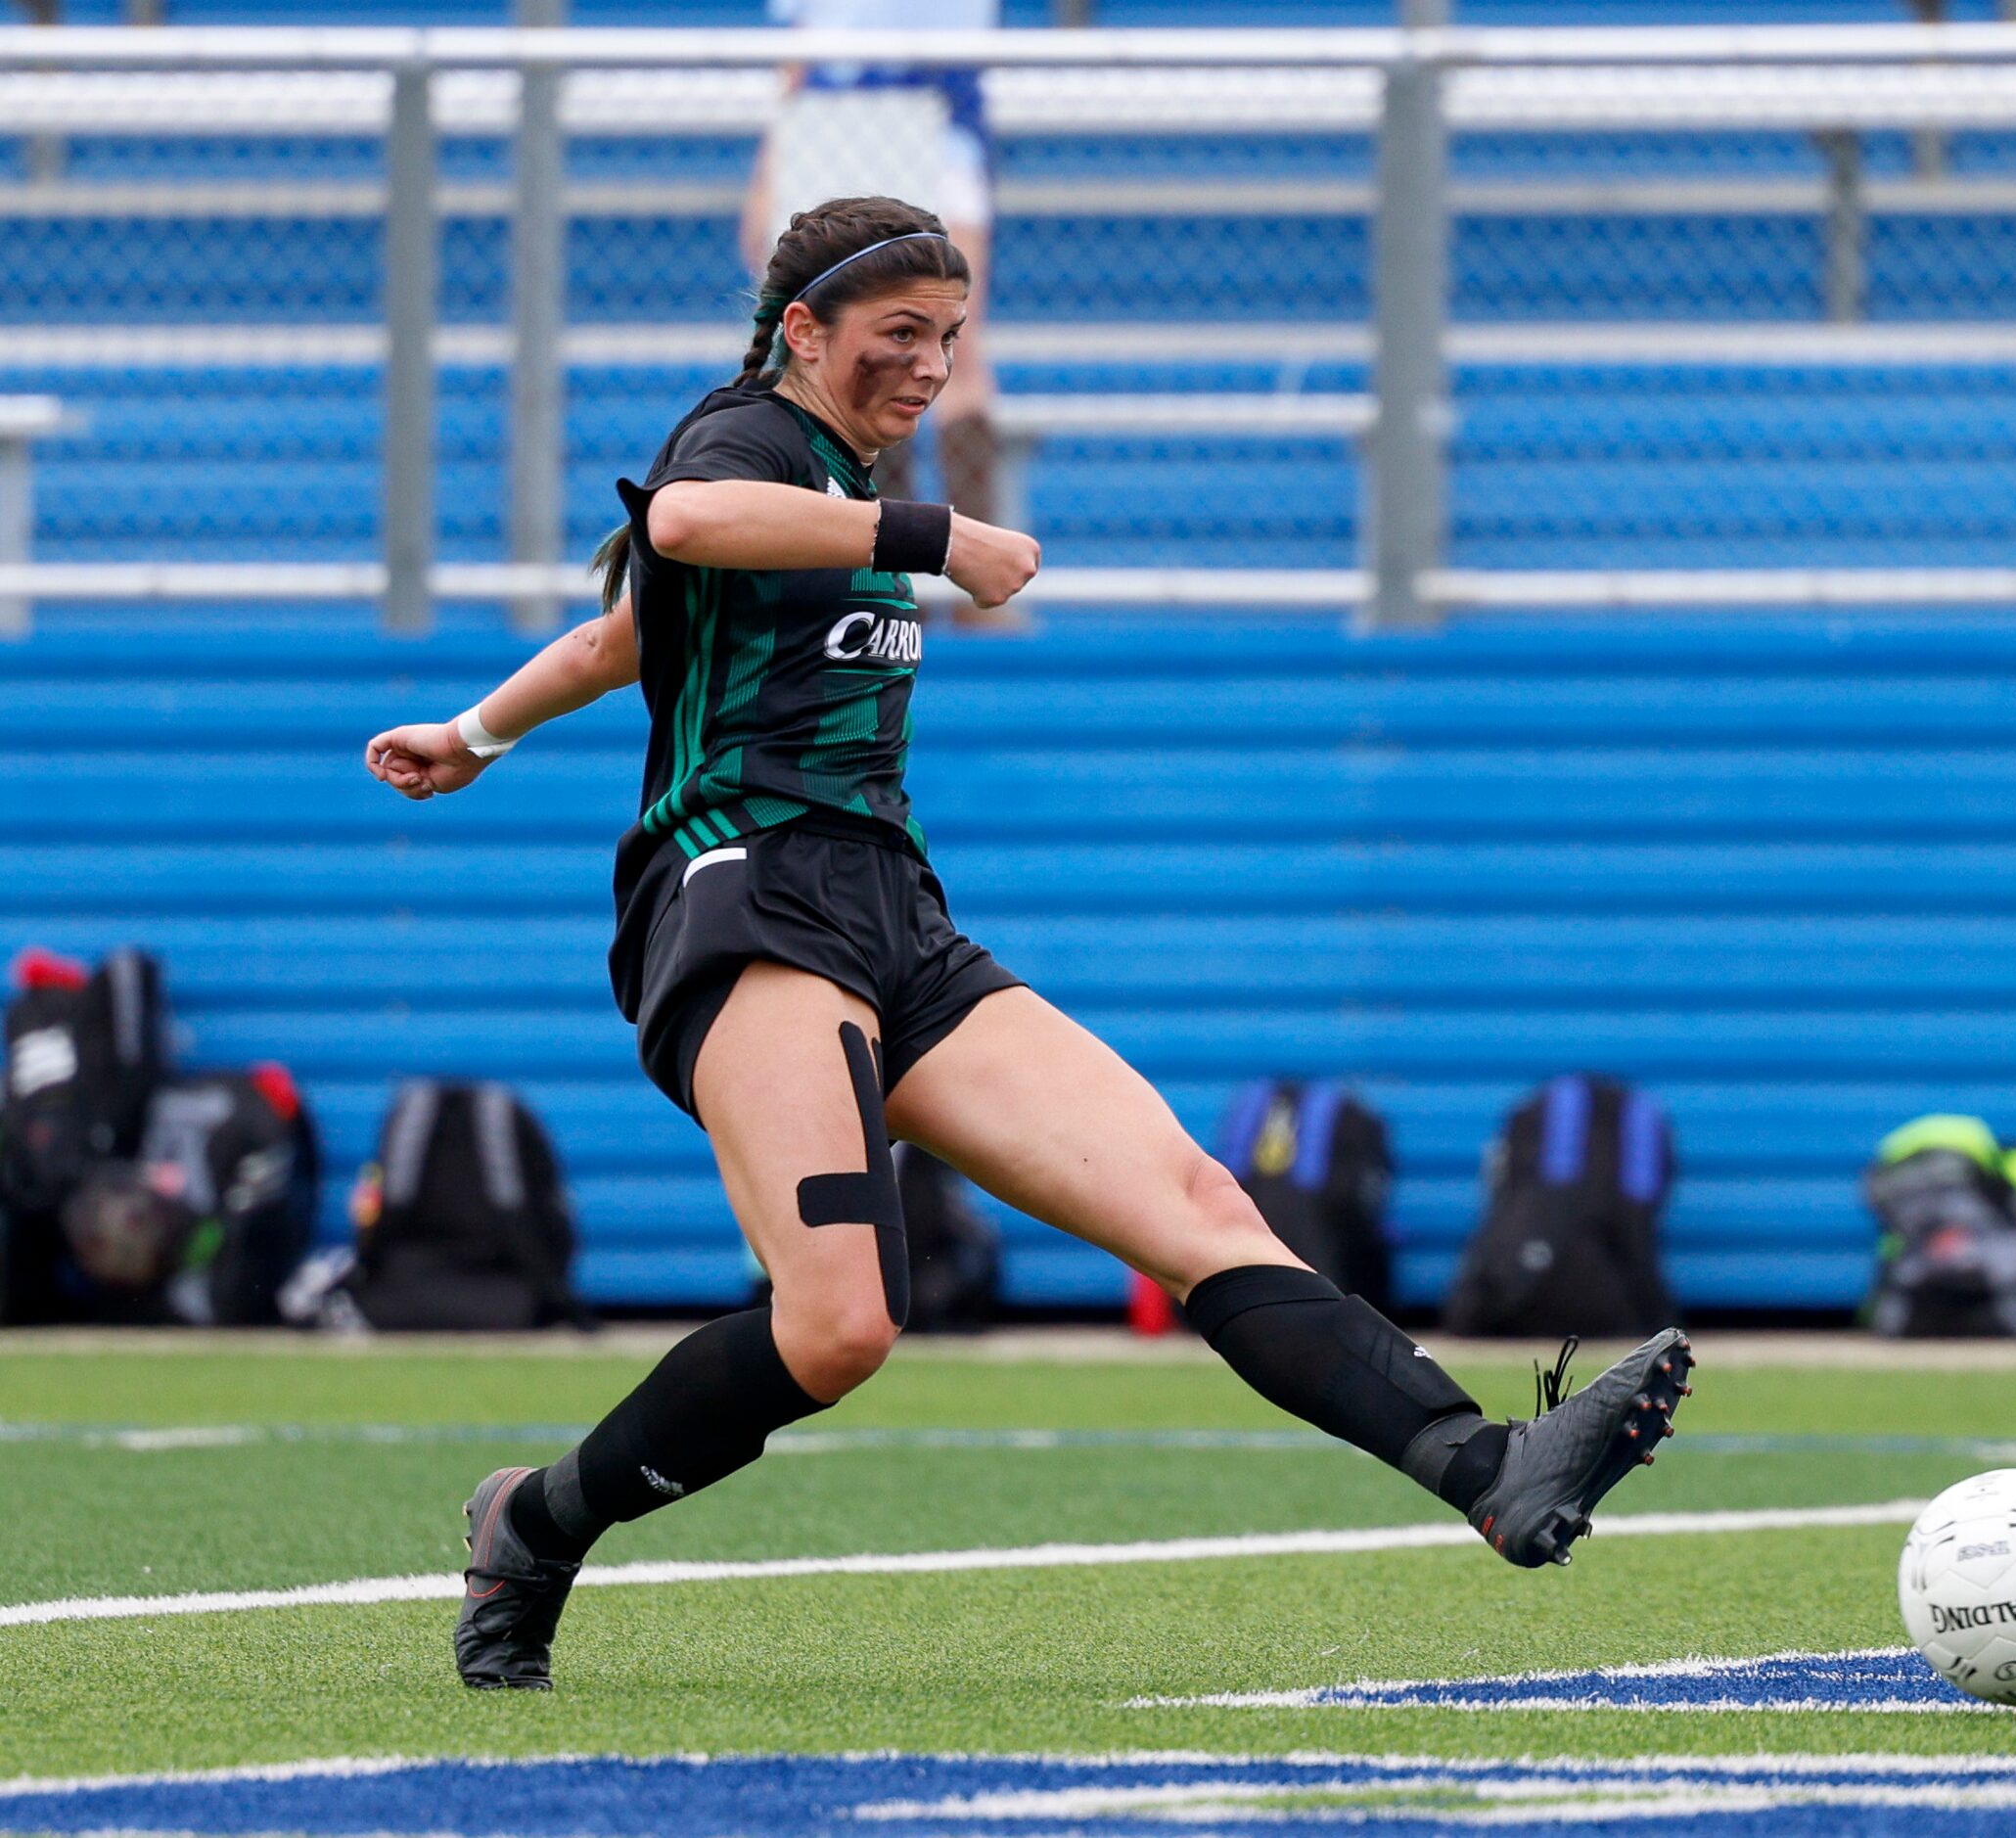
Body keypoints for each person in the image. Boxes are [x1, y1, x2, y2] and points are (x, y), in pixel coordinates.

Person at [364, 196, 1693, 1695]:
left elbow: (631, 629)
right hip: (738, 897)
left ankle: (1488, 1464)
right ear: (802, 332)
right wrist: (937, 532)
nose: (930, 366)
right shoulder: (743, 440)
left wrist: (475, 730)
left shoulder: (835, 480)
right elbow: (678, 530)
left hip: (893, 912)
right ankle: (533, 1521)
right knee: (844, 1322)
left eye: (950, 338)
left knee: (1192, 1198)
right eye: (897, 336)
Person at [745, 0, 1002, 526]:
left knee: (956, 345)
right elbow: (801, 49)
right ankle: (886, 562)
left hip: (938, 115)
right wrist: (771, 169)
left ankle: (980, 579)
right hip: (833, 123)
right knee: (855, 350)